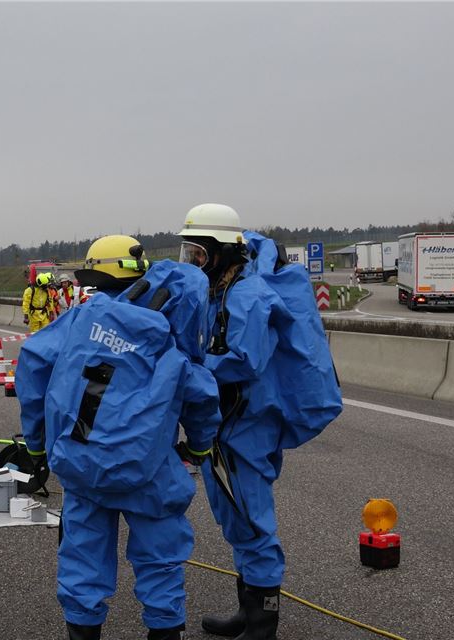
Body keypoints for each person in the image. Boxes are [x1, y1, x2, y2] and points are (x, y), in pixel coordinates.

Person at [17, 236, 219, 640]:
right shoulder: (166, 334)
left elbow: (33, 365)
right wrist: (197, 448)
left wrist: (38, 443)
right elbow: (202, 397)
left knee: (83, 563)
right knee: (161, 563)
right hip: (149, 470)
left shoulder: (79, 321)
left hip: (82, 464)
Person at [177, 204, 342, 640]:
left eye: (198, 254)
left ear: (221, 252)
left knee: (251, 520)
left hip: (245, 425)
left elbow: (243, 360)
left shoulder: (248, 296)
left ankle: (263, 624)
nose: (193, 263)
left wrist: (185, 369)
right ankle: (247, 611)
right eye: (189, 254)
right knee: (235, 518)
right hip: (229, 424)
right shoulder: (223, 289)